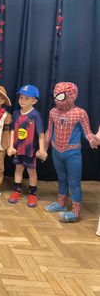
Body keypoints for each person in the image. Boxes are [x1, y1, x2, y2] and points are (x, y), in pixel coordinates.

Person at [44, 82, 99, 222]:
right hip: (56, 151)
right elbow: (49, 131)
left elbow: (87, 132)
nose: (57, 99)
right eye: (55, 95)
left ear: (71, 95)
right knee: (61, 178)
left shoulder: (80, 113)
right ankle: (61, 204)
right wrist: (44, 149)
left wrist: (93, 139)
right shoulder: (53, 112)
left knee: (74, 182)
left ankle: (75, 211)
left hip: (72, 153)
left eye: (60, 96)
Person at [7, 85, 46, 207]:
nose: (22, 100)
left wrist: (42, 149)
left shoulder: (35, 115)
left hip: (30, 150)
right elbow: (12, 131)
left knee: (31, 171)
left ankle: (32, 194)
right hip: (18, 149)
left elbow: (41, 134)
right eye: (21, 97)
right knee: (18, 169)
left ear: (34, 101)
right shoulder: (16, 113)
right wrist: (10, 146)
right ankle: (17, 191)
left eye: (26, 98)